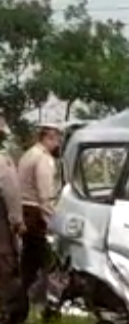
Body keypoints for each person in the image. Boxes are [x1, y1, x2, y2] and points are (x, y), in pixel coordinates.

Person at [17, 124, 61, 303]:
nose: (58, 144)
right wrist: (54, 220)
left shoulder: (28, 155)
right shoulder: (44, 159)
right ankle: (39, 300)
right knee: (43, 260)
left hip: (24, 209)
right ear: (48, 138)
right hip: (35, 212)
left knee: (28, 260)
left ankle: (20, 301)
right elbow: (45, 194)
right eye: (57, 140)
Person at [0, 135, 28, 324]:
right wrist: (17, 221)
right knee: (6, 265)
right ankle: (7, 318)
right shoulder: (3, 162)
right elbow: (11, 193)